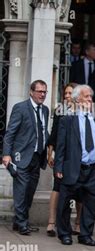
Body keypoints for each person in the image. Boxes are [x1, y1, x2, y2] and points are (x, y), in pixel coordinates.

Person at [54, 85, 95, 246]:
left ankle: (85, 234)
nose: (89, 100)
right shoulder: (67, 119)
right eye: (86, 97)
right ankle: (64, 233)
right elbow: (61, 146)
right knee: (65, 202)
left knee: (91, 203)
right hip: (73, 167)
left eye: (90, 97)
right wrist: (58, 168)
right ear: (77, 99)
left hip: (93, 168)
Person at [2, 80, 50, 235]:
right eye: (39, 91)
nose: (42, 94)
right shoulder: (20, 108)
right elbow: (10, 133)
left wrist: (52, 147)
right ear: (31, 91)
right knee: (21, 191)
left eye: (44, 92)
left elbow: (43, 132)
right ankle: (23, 223)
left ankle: (19, 221)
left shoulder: (45, 110)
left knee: (29, 192)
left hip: (37, 157)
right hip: (20, 156)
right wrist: (7, 154)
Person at [46, 83, 82, 238]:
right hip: (62, 156)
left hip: (79, 157)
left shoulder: (84, 111)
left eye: (70, 93)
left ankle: (78, 224)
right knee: (57, 187)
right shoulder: (60, 111)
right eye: (65, 93)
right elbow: (53, 134)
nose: (67, 96)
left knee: (80, 191)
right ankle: (52, 222)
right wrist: (50, 153)